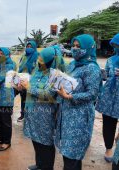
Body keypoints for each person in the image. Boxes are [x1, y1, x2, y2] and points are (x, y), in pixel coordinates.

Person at [54, 34, 102, 170]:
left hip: (80, 117)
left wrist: (70, 97)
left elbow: (92, 94)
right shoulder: (72, 64)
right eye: (73, 46)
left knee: (73, 153)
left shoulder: (92, 68)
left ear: (88, 48)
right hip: (66, 113)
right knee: (68, 152)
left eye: (78, 46)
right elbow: (67, 82)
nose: (75, 49)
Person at [20, 47, 58, 170]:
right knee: (35, 138)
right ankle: (39, 164)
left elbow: (48, 94)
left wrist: (29, 87)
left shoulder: (55, 75)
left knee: (46, 142)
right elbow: (29, 87)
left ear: (48, 60)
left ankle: (47, 167)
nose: (38, 60)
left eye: (41, 58)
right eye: (39, 57)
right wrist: (22, 86)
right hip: (32, 111)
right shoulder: (37, 72)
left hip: (45, 114)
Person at [95, 33, 119, 162]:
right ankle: (108, 148)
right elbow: (108, 76)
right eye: (115, 45)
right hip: (109, 96)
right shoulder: (110, 60)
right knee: (108, 123)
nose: (116, 48)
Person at [16, 40, 38, 122]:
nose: (28, 48)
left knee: (31, 99)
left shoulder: (37, 56)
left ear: (34, 47)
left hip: (32, 81)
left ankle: (30, 116)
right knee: (23, 98)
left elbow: (37, 69)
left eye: (30, 47)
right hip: (22, 79)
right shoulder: (24, 56)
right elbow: (20, 67)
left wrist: (31, 79)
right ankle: (23, 114)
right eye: (27, 47)